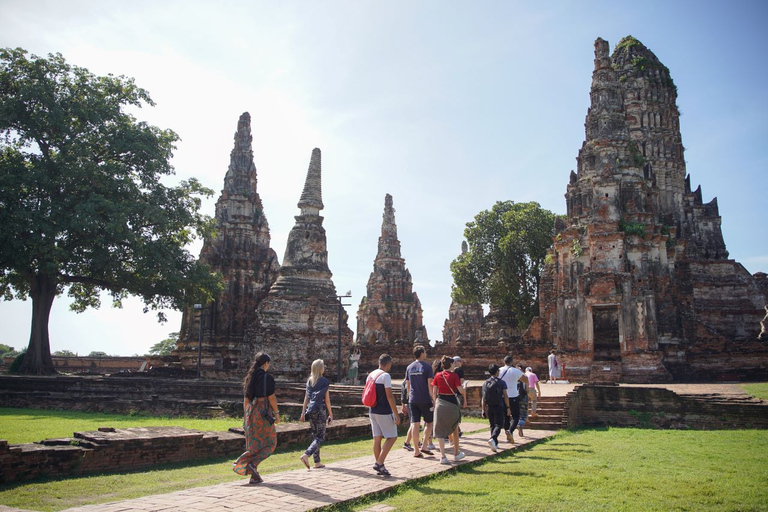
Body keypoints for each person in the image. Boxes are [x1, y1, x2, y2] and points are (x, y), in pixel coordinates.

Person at [233, 352, 279, 484]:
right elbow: (271, 398)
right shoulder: (267, 378)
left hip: (251, 412)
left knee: (254, 445)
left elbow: (246, 399)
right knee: (271, 442)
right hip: (263, 412)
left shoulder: (250, 378)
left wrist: (246, 416)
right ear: (266, 363)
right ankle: (246, 463)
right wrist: (276, 414)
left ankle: (254, 476)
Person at [367, 353, 400, 476]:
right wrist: (396, 413)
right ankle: (379, 463)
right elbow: (389, 396)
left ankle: (380, 465)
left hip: (372, 409)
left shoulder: (371, 375)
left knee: (377, 438)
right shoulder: (385, 376)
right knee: (392, 436)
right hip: (383, 410)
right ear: (388, 364)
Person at [299, 359, 332, 470]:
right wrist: (331, 414)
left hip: (310, 410)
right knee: (320, 437)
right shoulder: (324, 381)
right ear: (320, 369)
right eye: (323, 366)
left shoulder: (309, 381)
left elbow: (306, 398)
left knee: (315, 435)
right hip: (320, 410)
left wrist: (303, 411)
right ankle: (306, 454)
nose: (324, 368)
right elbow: (327, 400)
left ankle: (317, 462)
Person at [432, 355, 465, 465]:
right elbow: (460, 390)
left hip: (440, 402)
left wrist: (435, 402)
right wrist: (464, 389)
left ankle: (443, 456)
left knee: (439, 430)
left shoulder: (437, 375)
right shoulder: (454, 376)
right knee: (454, 428)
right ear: (450, 365)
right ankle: (456, 453)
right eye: (453, 363)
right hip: (452, 403)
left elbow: (434, 391)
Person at [403, 345, 434, 457]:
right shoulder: (427, 367)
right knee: (429, 423)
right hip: (425, 399)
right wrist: (434, 399)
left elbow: (407, 385)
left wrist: (408, 398)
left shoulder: (409, 367)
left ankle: (416, 450)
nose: (426, 354)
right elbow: (430, 385)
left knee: (415, 424)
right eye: (425, 352)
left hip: (413, 399)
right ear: (421, 354)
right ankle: (424, 446)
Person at [481, 363, 511, 453]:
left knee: (492, 425)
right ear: (497, 372)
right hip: (499, 405)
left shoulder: (485, 383)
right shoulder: (501, 382)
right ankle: (493, 438)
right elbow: (505, 396)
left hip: (489, 406)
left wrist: (483, 409)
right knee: (498, 425)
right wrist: (508, 407)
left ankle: (495, 443)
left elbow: (483, 398)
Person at [499, 355, 527, 444]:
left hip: (503, 396)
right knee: (515, 416)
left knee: (506, 417)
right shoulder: (515, 371)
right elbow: (525, 380)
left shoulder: (499, 370)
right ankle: (510, 431)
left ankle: (507, 434)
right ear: (512, 362)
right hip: (513, 396)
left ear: (504, 361)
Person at [516, 365, 529, 437]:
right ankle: (520, 425)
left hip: (515, 397)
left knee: (516, 413)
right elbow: (527, 389)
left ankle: (516, 424)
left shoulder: (514, 377)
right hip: (523, 396)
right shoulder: (525, 377)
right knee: (523, 413)